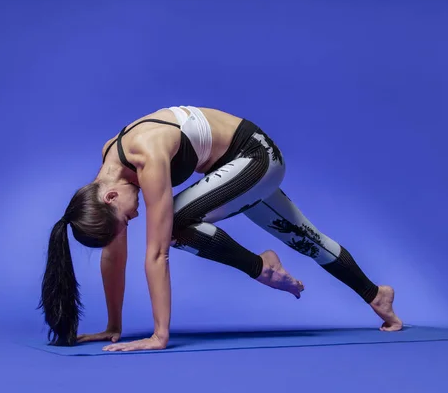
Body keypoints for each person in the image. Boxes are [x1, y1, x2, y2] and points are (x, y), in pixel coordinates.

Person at [39, 105, 403, 351]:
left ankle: (262, 266)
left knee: (173, 225)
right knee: (307, 240)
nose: (133, 220)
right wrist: (113, 325)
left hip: (255, 157)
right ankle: (376, 295)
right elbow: (113, 257)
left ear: (111, 197)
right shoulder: (105, 184)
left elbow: (157, 252)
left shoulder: (145, 155)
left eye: (126, 218)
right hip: (233, 173)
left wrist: (159, 335)